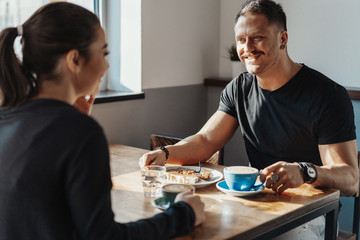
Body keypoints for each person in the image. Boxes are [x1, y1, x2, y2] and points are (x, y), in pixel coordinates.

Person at [140, 0, 358, 239]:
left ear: (283, 39)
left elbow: (351, 179)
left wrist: (305, 172)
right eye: (241, 40)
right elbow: (205, 139)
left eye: (257, 37)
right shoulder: (239, 89)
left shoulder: (326, 95)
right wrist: (166, 153)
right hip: (258, 203)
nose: (248, 48)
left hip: (313, 215)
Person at [0, 2, 205, 240]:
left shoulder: (8, 118)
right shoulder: (80, 132)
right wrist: (184, 214)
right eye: (104, 53)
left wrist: (74, 121)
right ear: (74, 60)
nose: (107, 65)